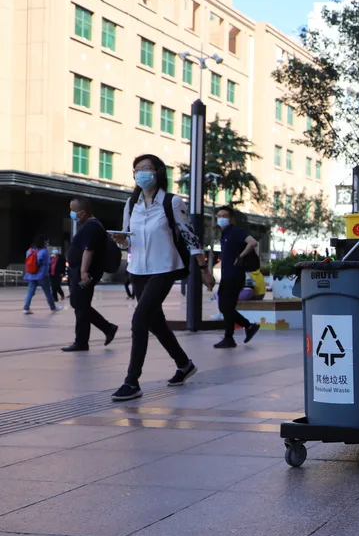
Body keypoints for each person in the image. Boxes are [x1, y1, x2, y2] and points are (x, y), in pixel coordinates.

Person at [108, 154, 215, 401]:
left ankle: (132, 381)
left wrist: (203, 268)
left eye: (147, 168)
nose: (142, 173)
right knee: (156, 323)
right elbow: (127, 238)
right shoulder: (131, 202)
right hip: (137, 270)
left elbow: (189, 235)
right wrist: (121, 241)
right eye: (137, 169)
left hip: (164, 268)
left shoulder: (172, 201)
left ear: (158, 172)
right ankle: (183, 363)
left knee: (139, 320)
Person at [63, 197, 119, 352]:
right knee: (79, 304)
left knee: (80, 305)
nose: (71, 213)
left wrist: (83, 272)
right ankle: (107, 329)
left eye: (73, 210)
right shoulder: (89, 226)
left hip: (86, 273)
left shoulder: (91, 227)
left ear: (82, 212)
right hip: (80, 271)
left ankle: (83, 341)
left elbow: (89, 250)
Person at [213, 205, 260, 348]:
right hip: (228, 275)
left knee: (225, 307)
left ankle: (246, 326)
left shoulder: (235, 232)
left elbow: (253, 242)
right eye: (219, 216)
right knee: (227, 307)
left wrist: (241, 256)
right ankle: (230, 337)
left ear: (231, 219)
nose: (221, 218)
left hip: (234, 276)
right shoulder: (225, 234)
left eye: (224, 216)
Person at [23, 235, 62, 315]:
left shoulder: (29, 251)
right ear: (43, 242)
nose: (47, 243)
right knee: (47, 291)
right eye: (46, 241)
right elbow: (47, 262)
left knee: (30, 292)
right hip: (42, 275)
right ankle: (53, 308)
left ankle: (26, 308)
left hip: (30, 275)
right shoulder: (44, 251)